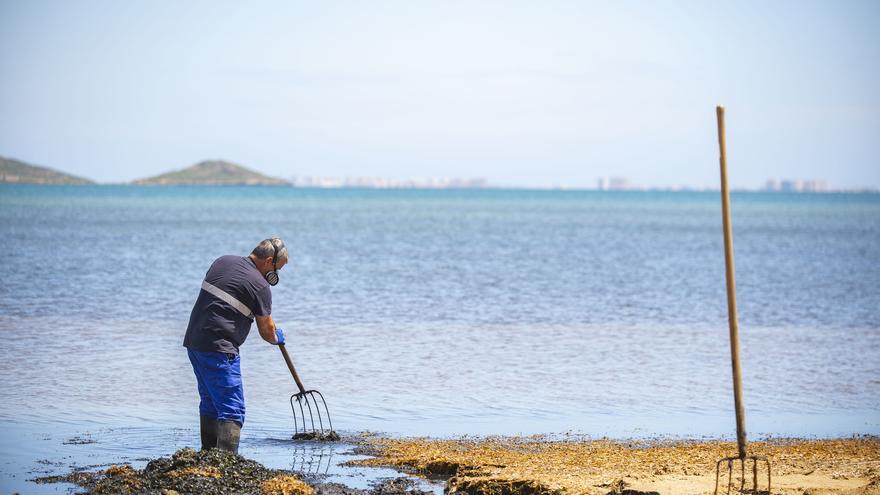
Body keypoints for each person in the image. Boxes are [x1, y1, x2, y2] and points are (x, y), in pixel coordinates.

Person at [183, 238, 288, 454]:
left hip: (195, 342)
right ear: (269, 261)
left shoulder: (223, 261)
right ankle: (226, 462)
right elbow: (266, 332)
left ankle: (207, 454)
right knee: (232, 409)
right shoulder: (260, 286)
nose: (277, 275)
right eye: (278, 269)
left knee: (211, 402)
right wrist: (276, 337)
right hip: (220, 348)